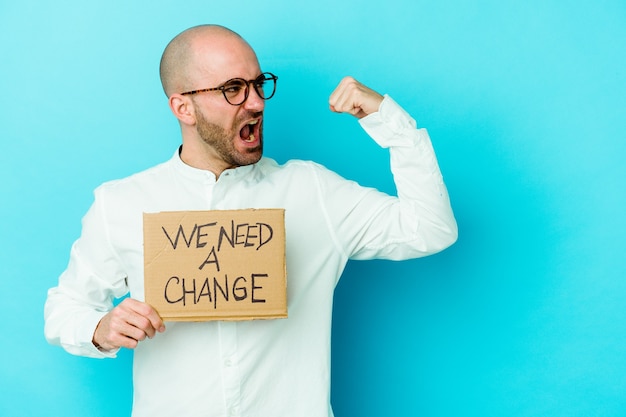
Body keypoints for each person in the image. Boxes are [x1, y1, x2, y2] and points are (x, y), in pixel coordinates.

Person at [44, 24, 458, 417]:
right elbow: (64, 310)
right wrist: (101, 327)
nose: (257, 102)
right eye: (233, 89)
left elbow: (430, 229)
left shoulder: (313, 191)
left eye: (259, 85)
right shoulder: (122, 203)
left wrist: (388, 121)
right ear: (183, 106)